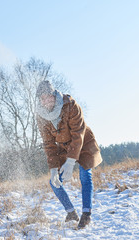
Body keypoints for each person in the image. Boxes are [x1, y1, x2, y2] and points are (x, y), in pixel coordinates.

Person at [35, 80, 103, 229]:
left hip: (83, 141)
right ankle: (71, 212)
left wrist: (71, 162)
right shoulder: (41, 117)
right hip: (63, 147)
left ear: (54, 95)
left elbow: (78, 133)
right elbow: (49, 144)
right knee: (54, 182)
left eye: (49, 97)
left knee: (85, 175)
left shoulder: (70, 105)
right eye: (43, 98)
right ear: (40, 101)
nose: (47, 101)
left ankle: (86, 214)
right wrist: (53, 169)